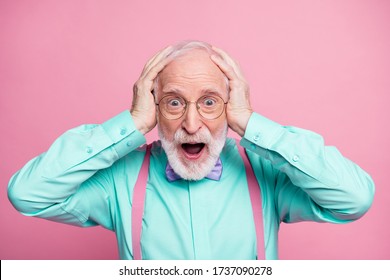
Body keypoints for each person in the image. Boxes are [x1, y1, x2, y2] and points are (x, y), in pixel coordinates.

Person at [8, 40, 375, 260]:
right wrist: (131, 124)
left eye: (210, 102)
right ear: (153, 109)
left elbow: (354, 198)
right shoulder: (121, 180)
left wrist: (253, 124)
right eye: (174, 103)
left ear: (232, 106)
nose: (192, 124)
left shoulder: (265, 175)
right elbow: (28, 194)